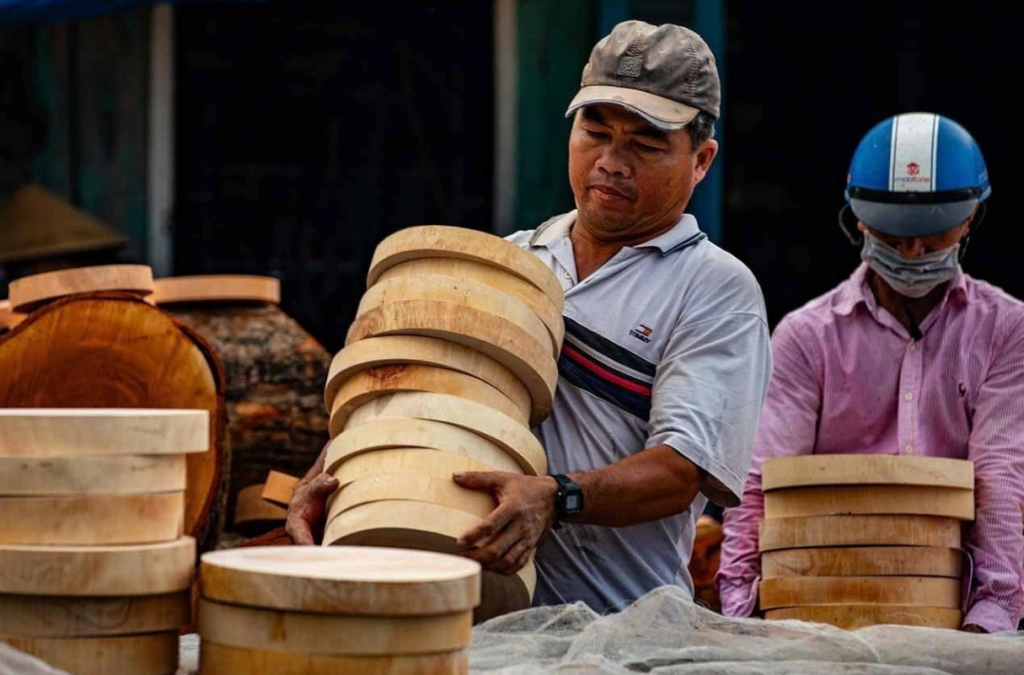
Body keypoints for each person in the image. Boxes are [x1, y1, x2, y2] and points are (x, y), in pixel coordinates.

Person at [288, 20, 772, 613]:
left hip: (619, 631)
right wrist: (327, 471)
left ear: (701, 160)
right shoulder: (512, 261)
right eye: (595, 132)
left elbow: (679, 472)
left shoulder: (715, 289)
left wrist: (556, 498)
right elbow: (411, 382)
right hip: (473, 615)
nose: (612, 162)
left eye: (645, 145)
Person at [718, 112, 1024, 633]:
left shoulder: (1005, 330)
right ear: (858, 219)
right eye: (894, 234)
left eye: (931, 236)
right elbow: (761, 481)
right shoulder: (806, 336)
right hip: (819, 597)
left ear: (970, 219)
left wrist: (990, 619)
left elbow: (1001, 476)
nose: (911, 251)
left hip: (951, 600)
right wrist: (746, 611)